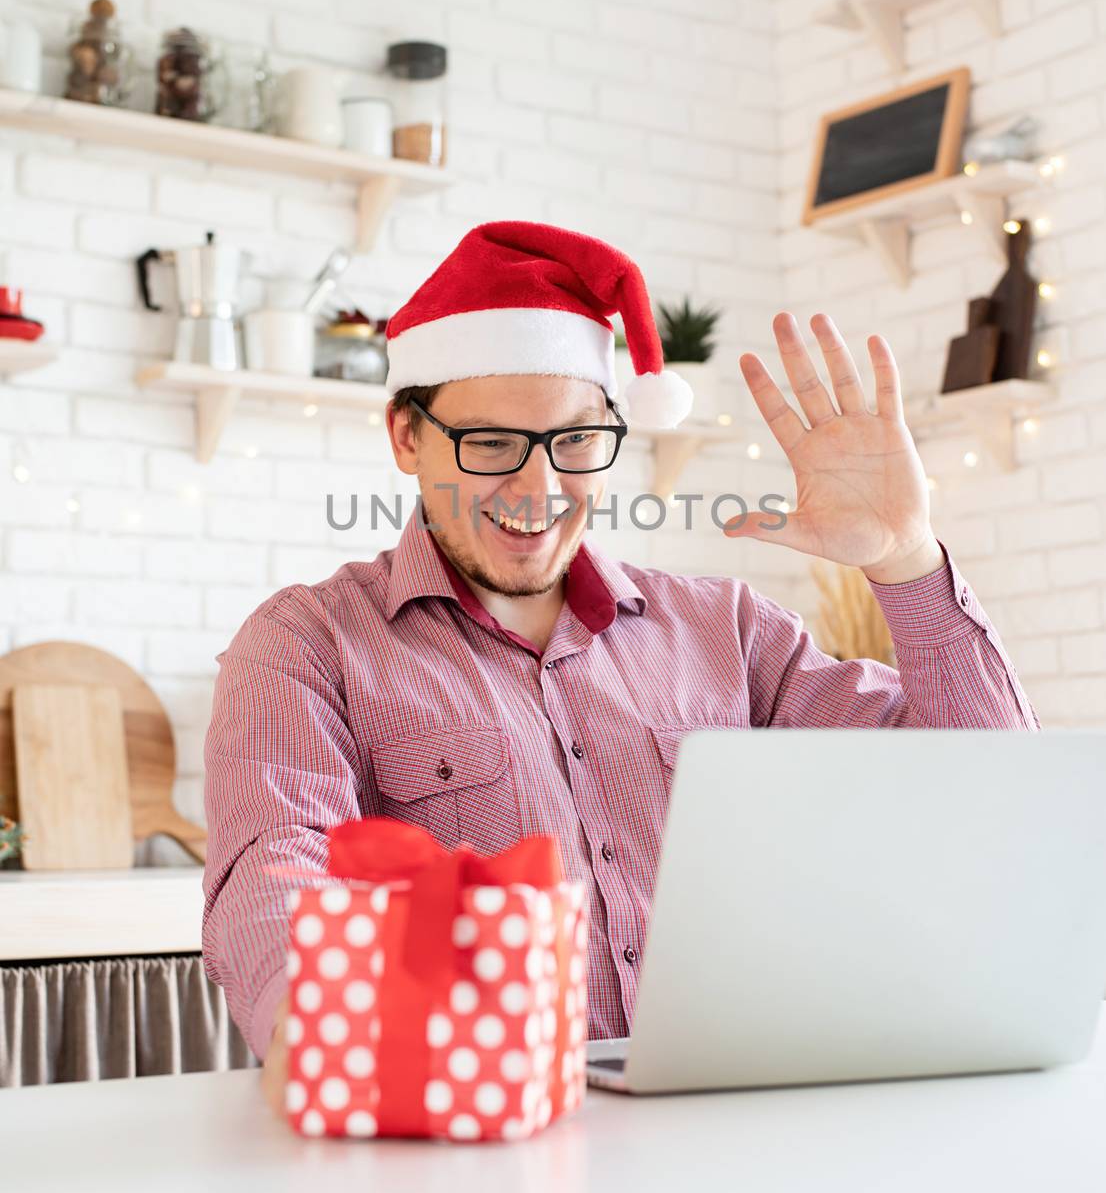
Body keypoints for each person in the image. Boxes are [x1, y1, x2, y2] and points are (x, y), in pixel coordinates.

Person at [201, 220, 1038, 1119]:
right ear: (407, 436)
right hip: (479, 1133)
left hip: (736, 1131)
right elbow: (275, 873)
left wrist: (906, 557)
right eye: (490, 444)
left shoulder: (733, 632)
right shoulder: (307, 645)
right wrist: (330, 1041)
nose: (537, 490)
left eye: (574, 443)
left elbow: (987, 798)